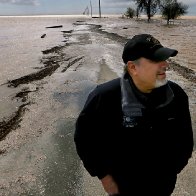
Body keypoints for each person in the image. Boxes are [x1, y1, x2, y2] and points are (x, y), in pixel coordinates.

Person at [74, 34, 194, 196]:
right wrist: (104, 177)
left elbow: (185, 139)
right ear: (132, 67)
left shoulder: (177, 95)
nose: (165, 65)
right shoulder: (104, 97)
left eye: (165, 59)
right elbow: (85, 139)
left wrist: (173, 170)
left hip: (163, 184)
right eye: (156, 60)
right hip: (123, 186)